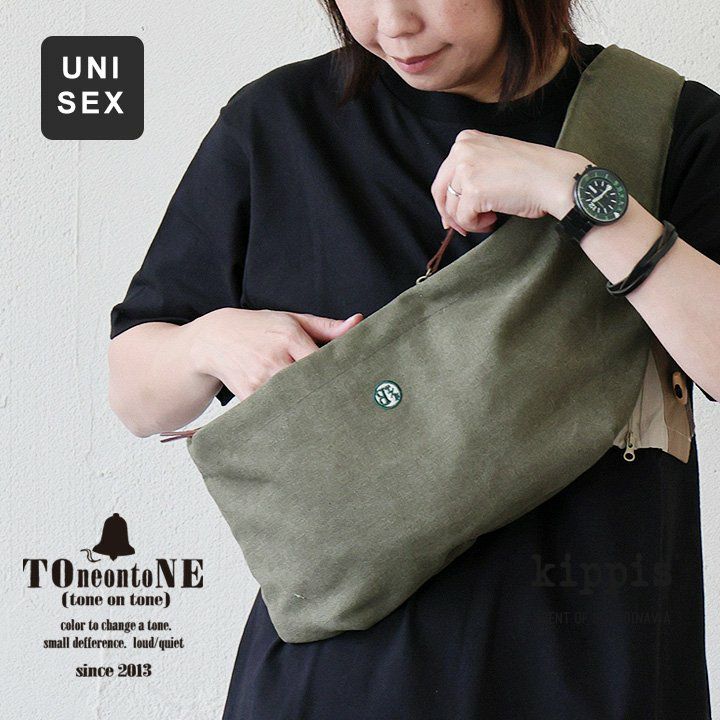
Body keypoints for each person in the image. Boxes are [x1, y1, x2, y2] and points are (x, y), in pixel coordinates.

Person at [108, 1, 720, 717]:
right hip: (336, 684)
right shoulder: (279, 124)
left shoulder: (663, 125)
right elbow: (134, 395)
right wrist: (209, 340)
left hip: (597, 674)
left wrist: (575, 193)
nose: (392, 24)